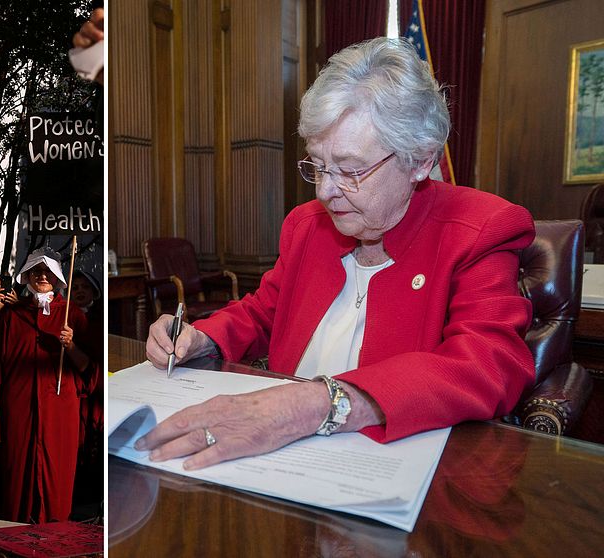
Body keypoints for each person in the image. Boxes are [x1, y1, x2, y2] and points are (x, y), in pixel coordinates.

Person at [139, 38, 536, 471]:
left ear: (420, 160)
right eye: (317, 165)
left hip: (397, 472)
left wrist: (316, 402)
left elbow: (489, 365)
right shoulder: (307, 225)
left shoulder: (482, 229)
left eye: (350, 170)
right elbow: (263, 312)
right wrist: (202, 337)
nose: (326, 191)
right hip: (279, 462)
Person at [0, 248, 90, 523]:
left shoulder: (72, 315)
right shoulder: (13, 316)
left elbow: (89, 369)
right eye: (36, 270)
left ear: (58, 277)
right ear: (27, 275)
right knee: (17, 479)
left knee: (57, 477)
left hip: (59, 411)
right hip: (19, 411)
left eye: (48, 271)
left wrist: (70, 345)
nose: (42, 275)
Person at [70, 270, 103, 517]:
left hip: (92, 392)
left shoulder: (98, 321)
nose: (80, 291)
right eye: (75, 287)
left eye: (85, 287)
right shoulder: (61, 318)